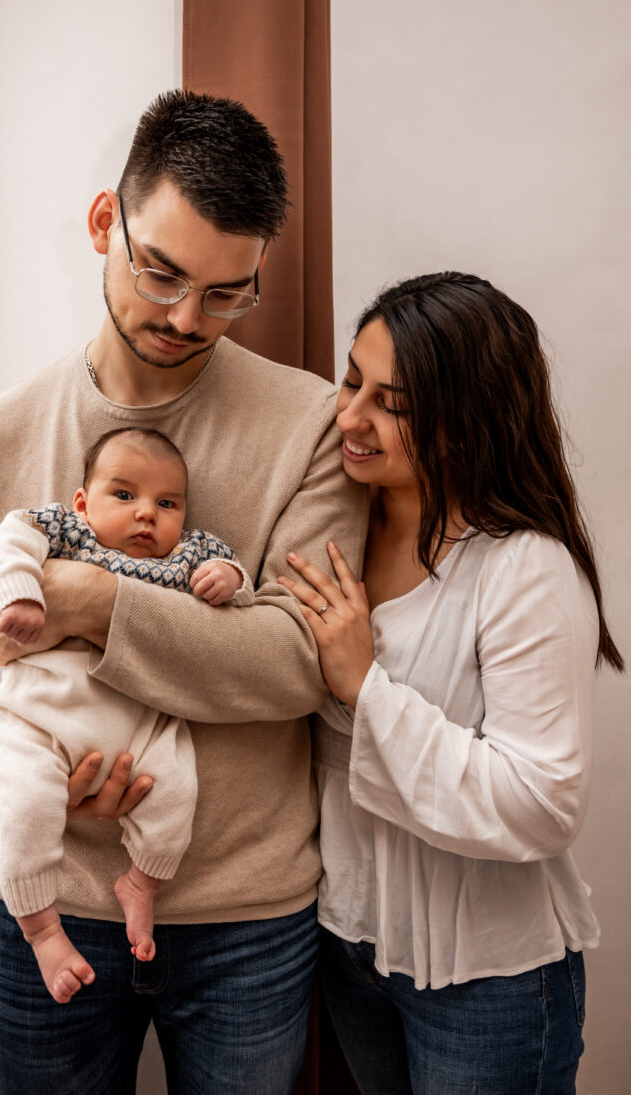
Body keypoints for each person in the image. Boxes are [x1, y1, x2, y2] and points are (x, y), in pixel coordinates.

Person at [0, 90, 367, 1094]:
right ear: (106, 221)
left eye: (226, 293)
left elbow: (296, 658)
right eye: (161, 274)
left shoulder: (311, 425)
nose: (185, 319)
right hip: (41, 900)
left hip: (247, 917)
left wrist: (94, 605)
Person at [279, 271, 624, 1095]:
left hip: (489, 982)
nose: (351, 419)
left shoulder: (523, 568)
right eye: (352, 381)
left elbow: (543, 803)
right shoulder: (337, 527)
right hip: (348, 949)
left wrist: (369, 688)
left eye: (393, 404)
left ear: (468, 421)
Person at [0, 425, 254, 998]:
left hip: (141, 722)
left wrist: (230, 578)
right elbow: (4, 546)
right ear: (83, 502)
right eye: (124, 496)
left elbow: (247, 595)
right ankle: (42, 928)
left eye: (166, 503)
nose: (146, 515)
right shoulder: (64, 530)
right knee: (24, 808)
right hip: (40, 720)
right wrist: (20, 596)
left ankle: (142, 883)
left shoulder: (190, 554)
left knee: (177, 789)